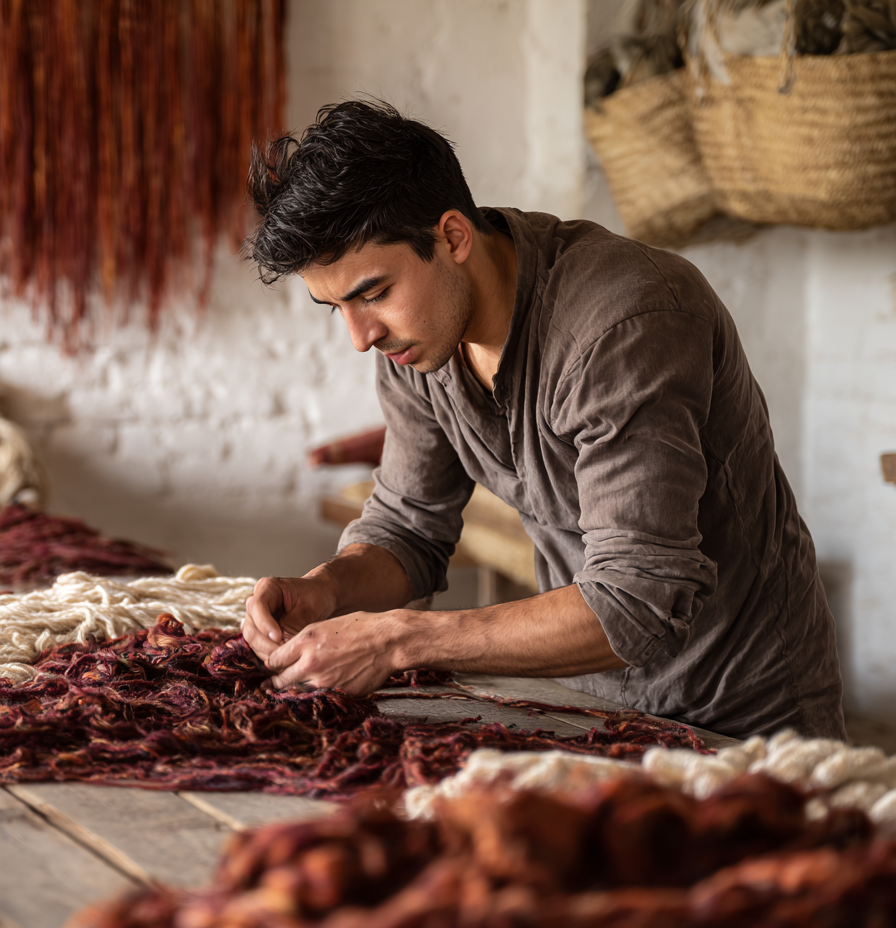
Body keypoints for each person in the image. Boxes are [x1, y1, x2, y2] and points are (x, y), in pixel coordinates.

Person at [239, 100, 844, 739]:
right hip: (590, 702)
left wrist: (399, 640)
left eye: (373, 293)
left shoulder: (624, 323)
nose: (360, 337)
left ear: (452, 237)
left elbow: (639, 602)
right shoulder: (416, 343)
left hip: (744, 712)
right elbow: (408, 529)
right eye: (335, 308)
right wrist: (328, 589)